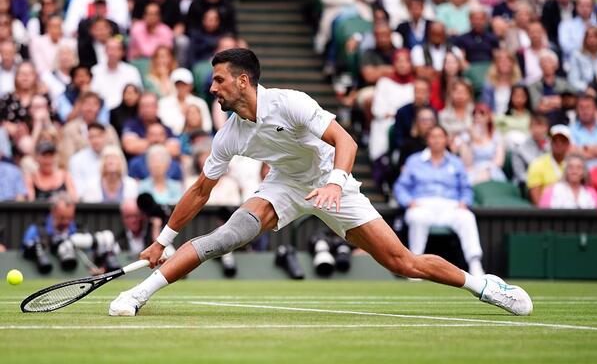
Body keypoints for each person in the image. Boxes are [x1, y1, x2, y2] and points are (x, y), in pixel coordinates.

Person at [109, 48, 532, 317]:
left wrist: (336, 182)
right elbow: (201, 190)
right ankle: (137, 296)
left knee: (403, 264)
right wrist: (162, 240)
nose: (212, 87)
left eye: (218, 80)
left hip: (334, 182)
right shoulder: (230, 133)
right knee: (227, 236)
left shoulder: (291, 102)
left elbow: (343, 140)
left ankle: (487, 287)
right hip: (285, 186)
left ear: (242, 80)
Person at [394, 125, 485, 276]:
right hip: (422, 204)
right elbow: (400, 187)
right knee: (416, 217)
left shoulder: (456, 162)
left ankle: (475, 265)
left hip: (450, 206)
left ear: (447, 140)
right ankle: (415, 266)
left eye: (440, 136)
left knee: (467, 217)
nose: (436, 140)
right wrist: (408, 201)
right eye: (433, 136)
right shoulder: (414, 161)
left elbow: (466, 188)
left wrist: (464, 202)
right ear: (427, 140)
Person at [90, 37, 143, 111]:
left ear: (122, 52)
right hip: (101, 111)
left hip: (126, 111)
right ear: (105, 51)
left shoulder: (131, 71)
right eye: (110, 49)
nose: (112, 53)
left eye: (116, 49)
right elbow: (92, 94)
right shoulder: (95, 71)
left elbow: (138, 94)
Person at [459, 103, 506, 184]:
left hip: (492, 170)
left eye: (482, 113)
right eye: (474, 114)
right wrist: (471, 139)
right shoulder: (465, 137)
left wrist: (486, 170)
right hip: (472, 171)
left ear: (488, 117)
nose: (478, 116)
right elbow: (467, 163)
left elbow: (499, 162)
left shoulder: (496, 136)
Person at [158, 67, 212, 135]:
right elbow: (164, 126)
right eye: (177, 84)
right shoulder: (163, 103)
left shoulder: (200, 103)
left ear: (191, 86)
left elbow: (207, 126)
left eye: (184, 84)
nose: (180, 87)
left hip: (198, 138)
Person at [527, 124, 571, 205]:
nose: (559, 143)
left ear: (568, 144)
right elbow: (536, 201)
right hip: (548, 212)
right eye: (555, 140)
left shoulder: (575, 165)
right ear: (550, 142)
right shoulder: (537, 164)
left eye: (563, 140)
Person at [68, 122, 112, 196]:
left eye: (99, 136)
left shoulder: (114, 156)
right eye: (91, 137)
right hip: (86, 203)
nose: (95, 140)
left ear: (105, 136)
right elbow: (78, 189)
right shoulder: (77, 160)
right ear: (87, 139)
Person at [511, 114, 550, 192]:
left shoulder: (552, 145)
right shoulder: (519, 148)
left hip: (549, 183)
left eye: (541, 126)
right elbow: (520, 175)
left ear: (547, 129)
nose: (538, 130)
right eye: (535, 126)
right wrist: (537, 183)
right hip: (526, 185)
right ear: (529, 128)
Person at [569, 93, 597, 168]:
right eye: (581, 107)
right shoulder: (570, 129)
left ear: (595, 109)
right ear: (577, 110)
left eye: (588, 107)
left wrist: (584, 149)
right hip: (582, 176)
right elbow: (572, 155)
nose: (585, 111)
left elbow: (577, 153)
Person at [568, 26, 597, 92]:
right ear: (585, 39)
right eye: (589, 37)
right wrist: (586, 88)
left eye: (595, 37)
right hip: (584, 90)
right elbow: (573, 80)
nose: (592, 40)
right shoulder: (577, 55)